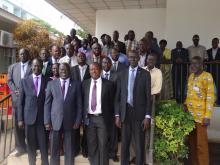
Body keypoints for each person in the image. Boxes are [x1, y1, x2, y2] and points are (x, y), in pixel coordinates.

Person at [115, 50, 151, 165]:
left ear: (138, 59)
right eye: (130, 57)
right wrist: (117, 115)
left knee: (139, 143)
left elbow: (148, 97)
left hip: (139, 114)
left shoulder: (145, 74)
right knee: (125, 143)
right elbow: (118, 97)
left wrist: (147, 116)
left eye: (135, 57)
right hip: (125, 112)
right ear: (128, 59)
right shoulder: (122, 74)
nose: (133, 59)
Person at [44, 63, 82, 165]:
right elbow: (47, 104)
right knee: (54, 149)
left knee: (69, 150)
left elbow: (79, 105)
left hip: (70, 122)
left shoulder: (76, 84)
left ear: (69, 71)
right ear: (57, 71)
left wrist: (78, 120)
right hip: (55, 121)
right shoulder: (51, 84)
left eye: (65, 70)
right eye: (61, 70)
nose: (63, 71)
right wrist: (47, 121)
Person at [17, 58, 49, 165]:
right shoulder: (24, 81)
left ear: (42, 67)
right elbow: (20, 102)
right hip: (28, 119)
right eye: (34, 66)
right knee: (30, 146)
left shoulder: (48, 81)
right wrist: (20, 119)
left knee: (44, 145)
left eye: (39, 66)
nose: (36, 68)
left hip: (43, 120)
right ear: (31, 67)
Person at [82, 62, 115, 165]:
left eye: (96, 69)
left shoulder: (109, 84)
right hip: (89, 119)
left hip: (102, 119)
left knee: (103, 144)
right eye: (91, 69)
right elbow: (82, 101)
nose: (93, 71)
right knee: (92, 144)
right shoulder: (85, 84)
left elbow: (112, 102)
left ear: (100, 70)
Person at [184, 56, 215, 165]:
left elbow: (210, 98)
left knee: (201, 145)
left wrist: (207, 116)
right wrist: (185, 108)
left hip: (201, 118)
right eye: (192, 63)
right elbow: (188, 94)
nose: (193, 66)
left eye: (196, 63)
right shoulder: (191, 76)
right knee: (192, 144)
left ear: (202, 65)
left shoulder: (207, 76)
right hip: (190, 117)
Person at [7, 48, 32, 156]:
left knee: (29, 124)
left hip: (29, 101)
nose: (22, 56)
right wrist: (14, 90)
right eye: (21, 54)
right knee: (17, 124)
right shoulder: (13, 67)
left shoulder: (33, 65)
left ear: (28, 55)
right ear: (19, 55)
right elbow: (9, 80)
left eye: (24, 54)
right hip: (17, 100)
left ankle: (31, 147)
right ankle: (20, 147)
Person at [71, 52, 91, 157]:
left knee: (87, 127)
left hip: (88, 101)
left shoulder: (90, 68)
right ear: (77, 58)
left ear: (85, 58)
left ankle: (85, 149)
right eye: (79, 56)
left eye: (83, 56)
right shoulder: (72, 69)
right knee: (76, 126)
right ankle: (75, 149)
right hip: (75, 101)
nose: (81, 57)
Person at [101, 57, 119, 162]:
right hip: (101, 110)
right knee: (103, 133)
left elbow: (118, 93)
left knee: (113, 133)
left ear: (111, 64)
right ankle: (103, 152)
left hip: (112, 109)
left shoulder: (116, 76)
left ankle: (113, 153)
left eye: (108, 62)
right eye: (104, 62)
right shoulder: (98, 75)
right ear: (101, 64)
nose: (106, 64)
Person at [207, 37, 220, 105]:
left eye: (215, 42)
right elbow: (205, 60)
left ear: (218, 43)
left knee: (218, 85)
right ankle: (211, 100)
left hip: (218, 71)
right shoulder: (208, 51)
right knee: (210, 86)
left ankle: (218, 101)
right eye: (213, 42)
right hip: (210, 71)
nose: (214, 43)